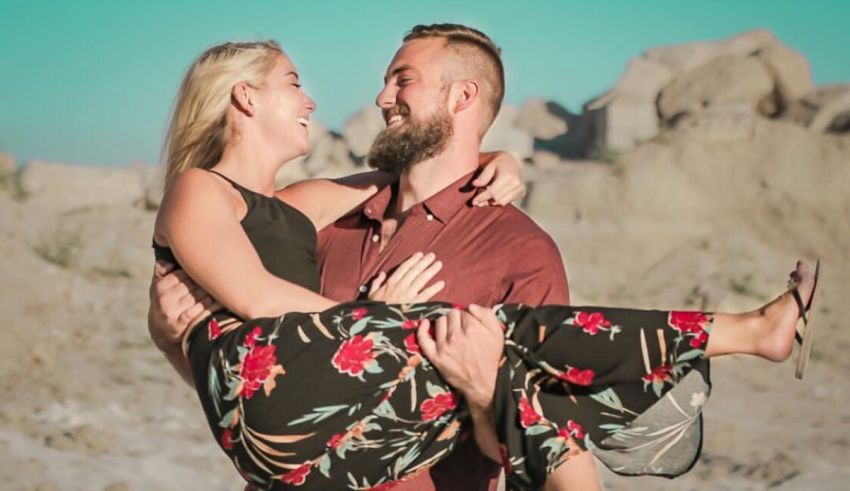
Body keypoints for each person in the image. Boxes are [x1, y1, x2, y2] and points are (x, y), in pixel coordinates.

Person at [148, 27, 820, 491]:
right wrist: (365, 318)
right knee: (486, 336)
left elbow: (520, 442)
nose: (375, 99)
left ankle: (735, 341)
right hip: (283, 447)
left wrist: (499, 155)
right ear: (244, 97)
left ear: (462, 97)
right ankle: (742, 333)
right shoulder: (276, 214)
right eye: (293, 83)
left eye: (402, 80)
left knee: (514, 362)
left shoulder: (512, 248)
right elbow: (258, 341)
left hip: (379, 459)